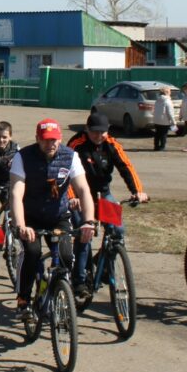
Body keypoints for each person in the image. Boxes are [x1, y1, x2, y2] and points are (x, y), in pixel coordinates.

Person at [10, 119, 95, 318]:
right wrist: (21, 225)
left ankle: (59, 291)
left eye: (55, 140)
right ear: (38, 139)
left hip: (58, 215)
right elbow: (16, 193)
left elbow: (83, 190)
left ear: (60, 139)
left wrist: (88, 221)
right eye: (46, 140)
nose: (51, 144)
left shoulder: (70, 156)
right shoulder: (23, 157)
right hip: (30, 217)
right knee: (32, 252)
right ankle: (23, 299)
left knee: (66, 257)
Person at [67, 113, 148, 302]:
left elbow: (125, 166)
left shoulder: (112, 144)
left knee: (118, 231)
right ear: (87, 130)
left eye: (103, 132)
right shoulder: (76, 144)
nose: (99, 136)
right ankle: (79, 280)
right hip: (80, 195)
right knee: (84, 234)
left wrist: (137, 191)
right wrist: (71, 197)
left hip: (103, 193)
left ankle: (102, 268)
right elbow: (65, 170)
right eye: (95, 132)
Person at [153, 86, 176, 151]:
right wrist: (173, 121)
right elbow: (170, 113)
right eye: (169, 91)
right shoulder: (168, 101)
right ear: (167, 92)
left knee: (157, 134)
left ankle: (156, 146)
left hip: (157, 120)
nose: (170, 93)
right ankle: (162, 147)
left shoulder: (157, 100)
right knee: (163, 134)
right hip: (164, 121)